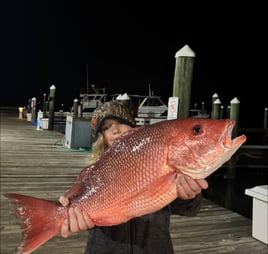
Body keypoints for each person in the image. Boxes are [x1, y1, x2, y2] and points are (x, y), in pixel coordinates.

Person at [59, 100, 208, 254]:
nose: (115, 130)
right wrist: (76, 217)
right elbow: (88, 212)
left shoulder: (155, 159)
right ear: (102, 138)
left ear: (133, 127)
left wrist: (188, 195)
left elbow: (191, 210)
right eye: (106, 128)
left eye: (120, 122)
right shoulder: (96, 173)